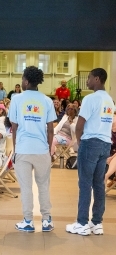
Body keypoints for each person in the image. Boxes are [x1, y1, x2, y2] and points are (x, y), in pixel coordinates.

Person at [8, 66, 56, 233]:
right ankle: (46, 220)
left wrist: (15, 150)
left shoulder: (16, 99)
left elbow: (14, 127)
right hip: (42, 149)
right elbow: (50, 129)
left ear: (27, 81)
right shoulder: (47, 100)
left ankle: (28, 221)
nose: (21, 82)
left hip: (23, 149)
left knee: (26, 187)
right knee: (43, 185)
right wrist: (50, 150)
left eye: (22, 79)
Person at [66, 68, 114, 236]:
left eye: (89, 78)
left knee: (85, 184)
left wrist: (80, 142)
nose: (87, 81)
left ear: (97, 79)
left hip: (91, 142)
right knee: (98, 184)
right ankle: (97, 223)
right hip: (105, 144)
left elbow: (80, 125)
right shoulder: (110, 100)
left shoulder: (90, 99)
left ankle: (81, 223)